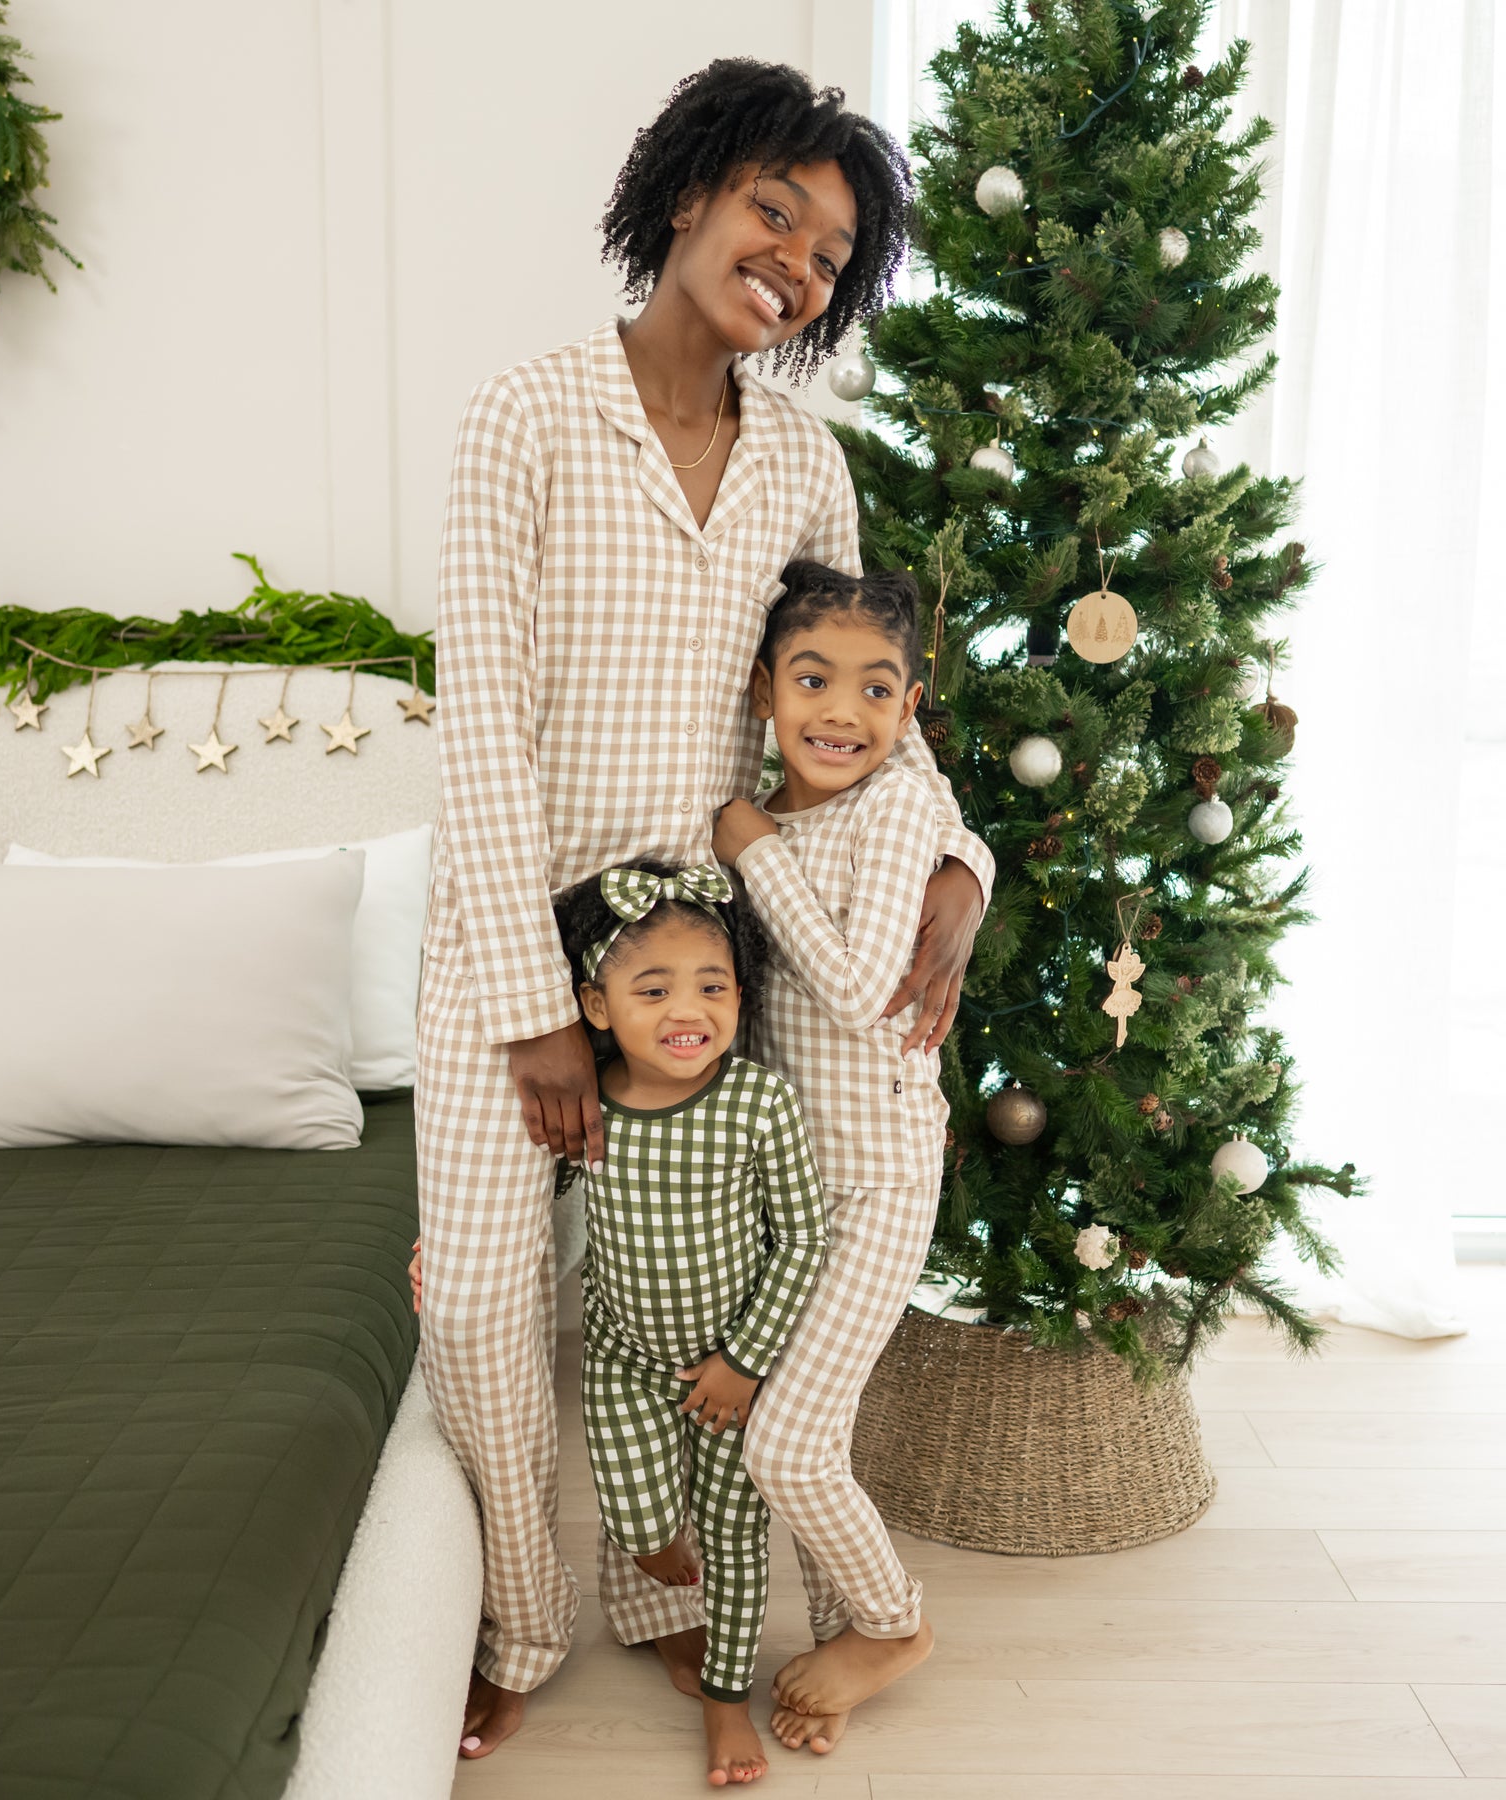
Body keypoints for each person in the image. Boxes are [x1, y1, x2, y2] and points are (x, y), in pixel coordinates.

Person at [416, 57, 995, 1761]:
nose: (797, 262)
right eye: (774, 213)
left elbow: (876, 728)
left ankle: (669, 1596)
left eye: (829, 254)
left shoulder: (806, 466)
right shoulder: (525, 416)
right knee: (477, 1307)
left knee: (674, 1307)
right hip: (511, 963)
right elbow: (486, 729)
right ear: (685, 196)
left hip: (712, 985)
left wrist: (963, 875)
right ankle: (521, 1613)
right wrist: (538, 1010)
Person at [713, 561, 993, 1756]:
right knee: (803, 1426)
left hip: (878, 1181)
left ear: (910, 709)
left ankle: (890, 1624)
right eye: (814, 680)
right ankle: (837, 1630)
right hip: (792, 1189)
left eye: (877, 691)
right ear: (767, 692)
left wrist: (752, 848)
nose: (842, 711)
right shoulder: (780, 798)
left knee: (787, 1437)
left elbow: (863, 987)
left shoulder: (892, 812)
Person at [550, 861, 824, 1785]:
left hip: (733, 1374)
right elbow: (522, 1208)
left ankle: (724, 1699)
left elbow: (802, 1243)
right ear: (597, 1005)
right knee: (642, 1519)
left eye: (713, 987)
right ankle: (665, 1592)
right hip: (624, 1358)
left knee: (737, 1540)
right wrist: (448, 1249)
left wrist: (744, 1364)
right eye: (653, 987)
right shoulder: (587, 1109)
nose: (689, 1008)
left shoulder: (760, 1103)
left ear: (741, 996)